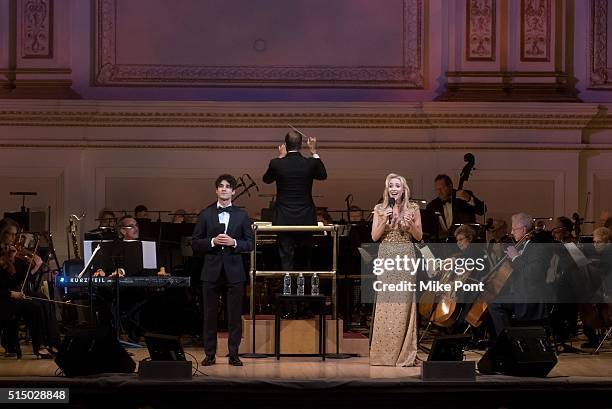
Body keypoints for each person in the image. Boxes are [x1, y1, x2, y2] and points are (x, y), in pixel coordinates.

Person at [192, 175, 254, 367]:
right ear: (216, 191)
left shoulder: (242, 215)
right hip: (211, 271)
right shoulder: (205, 214)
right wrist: (212, 241)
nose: (225, 189)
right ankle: (209, 354)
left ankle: (234, 354)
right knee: (209, 315)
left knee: (234, 316)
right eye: (221, 186)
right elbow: (195, 243)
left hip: (234, 272)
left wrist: (234, 242)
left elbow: (251, 243)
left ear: (234, 191)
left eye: (228, 187)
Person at [369, 173, 422, 367]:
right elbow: (374, 236)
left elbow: (419, 236)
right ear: (387, 189)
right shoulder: (379, 208)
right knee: (386, 303)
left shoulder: (413, 208)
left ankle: (403, 352)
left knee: (403, 303)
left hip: (406, 255)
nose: (393, 188)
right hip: (387, 256)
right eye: (390, 185)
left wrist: (409, 226)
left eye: (397, 185)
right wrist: (385, 219)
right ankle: (383, 354)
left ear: (403, 189)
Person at [262, 130, 327, 271]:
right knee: (305, 259)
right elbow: (323, 175)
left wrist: (280, 157)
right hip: (305, 218)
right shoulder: (310, 163)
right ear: (301, 145)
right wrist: (314, 151)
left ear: (285, 145)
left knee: (286, 258)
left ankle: (286, 291)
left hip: (284, 219)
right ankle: (304, 291)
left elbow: (266, 180)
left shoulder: (276, 164)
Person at [0, 218, 59, 358]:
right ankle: (39, 346)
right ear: (2, 233)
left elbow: (15, 281)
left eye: (16, 235)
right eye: (11, 234)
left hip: (10, 294)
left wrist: (34, 267)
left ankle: (54, 343)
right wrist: (11, 294)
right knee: (35, 307)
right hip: (3, 298)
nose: (14, 238)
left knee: (45, 300)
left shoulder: (9, 253)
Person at [488, 213, 552, 336]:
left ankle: (507, 340)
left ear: (523, 229)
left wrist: (516, 257)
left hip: (531, 297)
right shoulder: (524, 245)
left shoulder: (537, 246)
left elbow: (533, 273)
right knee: (492, 300)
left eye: (514, 229)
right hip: (521, 292)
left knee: (494, 304)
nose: (511, 232)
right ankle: (504, 339)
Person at [426, 174, 485, 241]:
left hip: (465, 242)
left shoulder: (464, 196)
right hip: (443, 246)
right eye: (436, 189)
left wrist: (469, 199)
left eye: (441, 188)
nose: (439, 192)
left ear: (450, 186)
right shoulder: (432, 205)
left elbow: (482, 210)